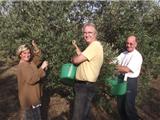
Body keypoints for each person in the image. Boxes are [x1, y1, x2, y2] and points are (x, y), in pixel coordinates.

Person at [71, 23, 104, 120]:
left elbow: (77, 60)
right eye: (85, 33)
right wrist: (76, 47)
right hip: (86, 85)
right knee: (84, 115)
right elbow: (83, 57)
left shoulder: (95, 45)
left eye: (90, 32)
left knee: (78, 117)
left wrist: (73, 59)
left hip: (84, 86)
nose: (87, 35)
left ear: (95, 34)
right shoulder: (92, 47)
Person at [16, 40, 48, 120]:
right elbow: (31, 79)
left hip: (33, 98)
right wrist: (42, 68)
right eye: (24, 53)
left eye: (28, 52)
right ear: (20, 54)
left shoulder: (29, 63)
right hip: (30, 100)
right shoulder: (23, 65)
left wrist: (35, 46)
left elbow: (39, 57)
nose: (27, 55)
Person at [114, 35, 143, 120]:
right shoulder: (123, 54)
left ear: (135, 44)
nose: (128, 45)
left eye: (131, 43)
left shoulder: (137, 56)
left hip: (130, 82)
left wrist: (115, 66)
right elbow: (113, 61)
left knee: (129, 107)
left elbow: (126, 69)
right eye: (127, 43)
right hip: (121, 80)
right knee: (120, 106)